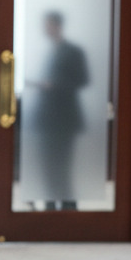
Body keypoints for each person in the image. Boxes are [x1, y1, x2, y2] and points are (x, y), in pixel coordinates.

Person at [27, 11, 89, 210]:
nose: (45, 29)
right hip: (45, 119)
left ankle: (68, 212)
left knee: (62, 168)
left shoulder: (73, 51)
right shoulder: (50, 51)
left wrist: (51, 85)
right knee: (48, 170)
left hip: (64, 120)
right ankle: (50, 210)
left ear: (57, 25)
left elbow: (82, 80)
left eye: (48, 25)